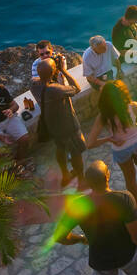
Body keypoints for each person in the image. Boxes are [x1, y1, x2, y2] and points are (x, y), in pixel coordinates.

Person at [31, 58, 89, 190]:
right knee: (76, 152)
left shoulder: (34, 84)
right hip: (67, 125)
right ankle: (81, 181)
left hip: (52, 125)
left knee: (60, 148)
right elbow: (76, 88)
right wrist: (63, 70)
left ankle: (65, 176)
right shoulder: (55, 89)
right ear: (53, 72)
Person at [86, 80, 137, 202]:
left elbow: (90, 143)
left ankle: (135, 206)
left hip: (121, 149)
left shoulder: (104, 116)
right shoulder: (133, 106)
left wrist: (109, 139)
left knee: (130, 180)